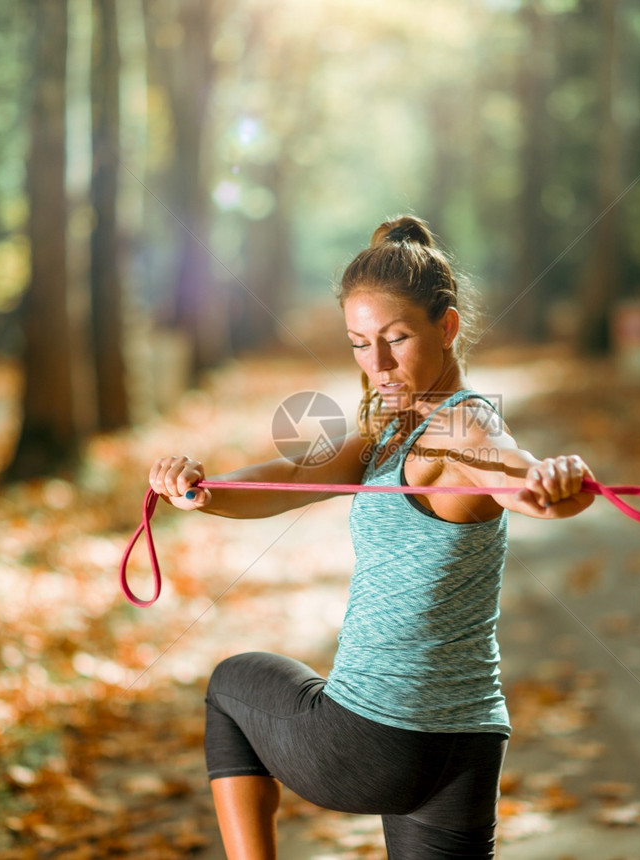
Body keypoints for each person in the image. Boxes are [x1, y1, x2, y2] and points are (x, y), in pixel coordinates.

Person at [148, 215, 595, 860]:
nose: (377, 364)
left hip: (374, 737)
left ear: (447, 327)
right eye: (360, 343)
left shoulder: (458, 426)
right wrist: (201, 489)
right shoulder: (394, 427)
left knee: (231, 687)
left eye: (396, 338)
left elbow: (510, 469)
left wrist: (551, 479)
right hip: (466, 744)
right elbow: (291, 475)